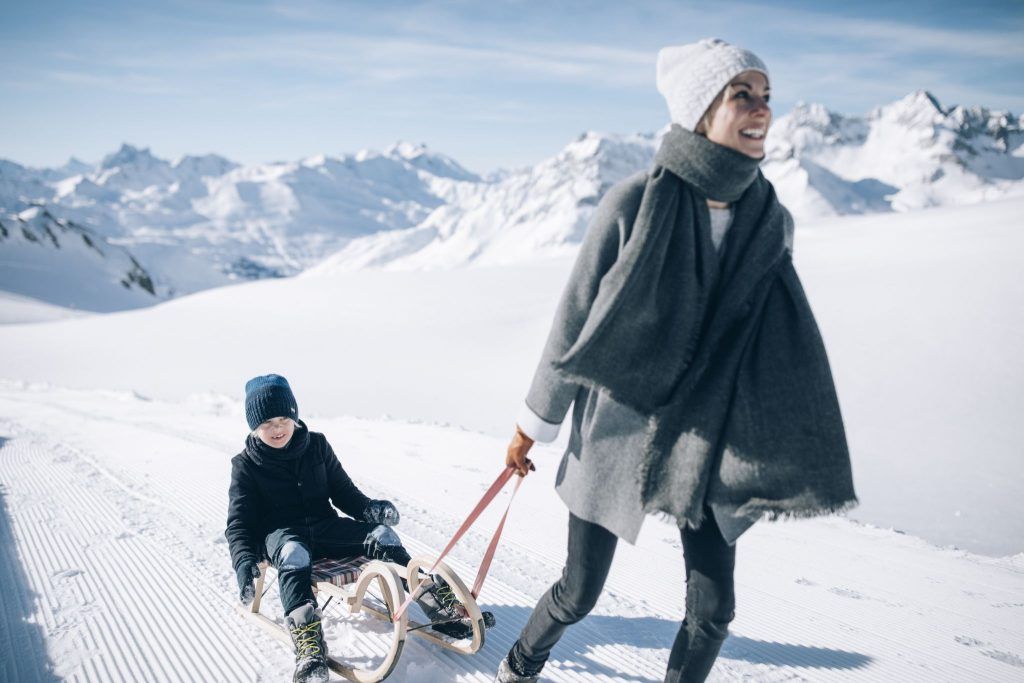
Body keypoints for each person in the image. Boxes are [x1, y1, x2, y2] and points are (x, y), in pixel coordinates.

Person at [495, 38, 856, 683]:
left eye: (767, 95)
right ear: (699, 110)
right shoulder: (633, 204)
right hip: (618, 433)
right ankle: (523, 660)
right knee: (579, 594)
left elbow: (767, 339)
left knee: (714, 611)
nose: (762, 109)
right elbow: (573, 322)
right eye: (742, 94)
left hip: (710, 437)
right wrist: (534, 424)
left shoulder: (771, 221)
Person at [225, 374, 482, 683]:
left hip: (325, 527)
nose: (277, 428)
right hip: (283, 536)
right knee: (294, 554)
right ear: (254, 426)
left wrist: (369, 510)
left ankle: (434, 605)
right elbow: (238, 522)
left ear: (294, 415)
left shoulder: (316, 445)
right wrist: (242, 562)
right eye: (267, 423)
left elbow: (344, 492)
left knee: (382, 536)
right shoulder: (246, 465)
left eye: (283, 418)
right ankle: (308, 645)